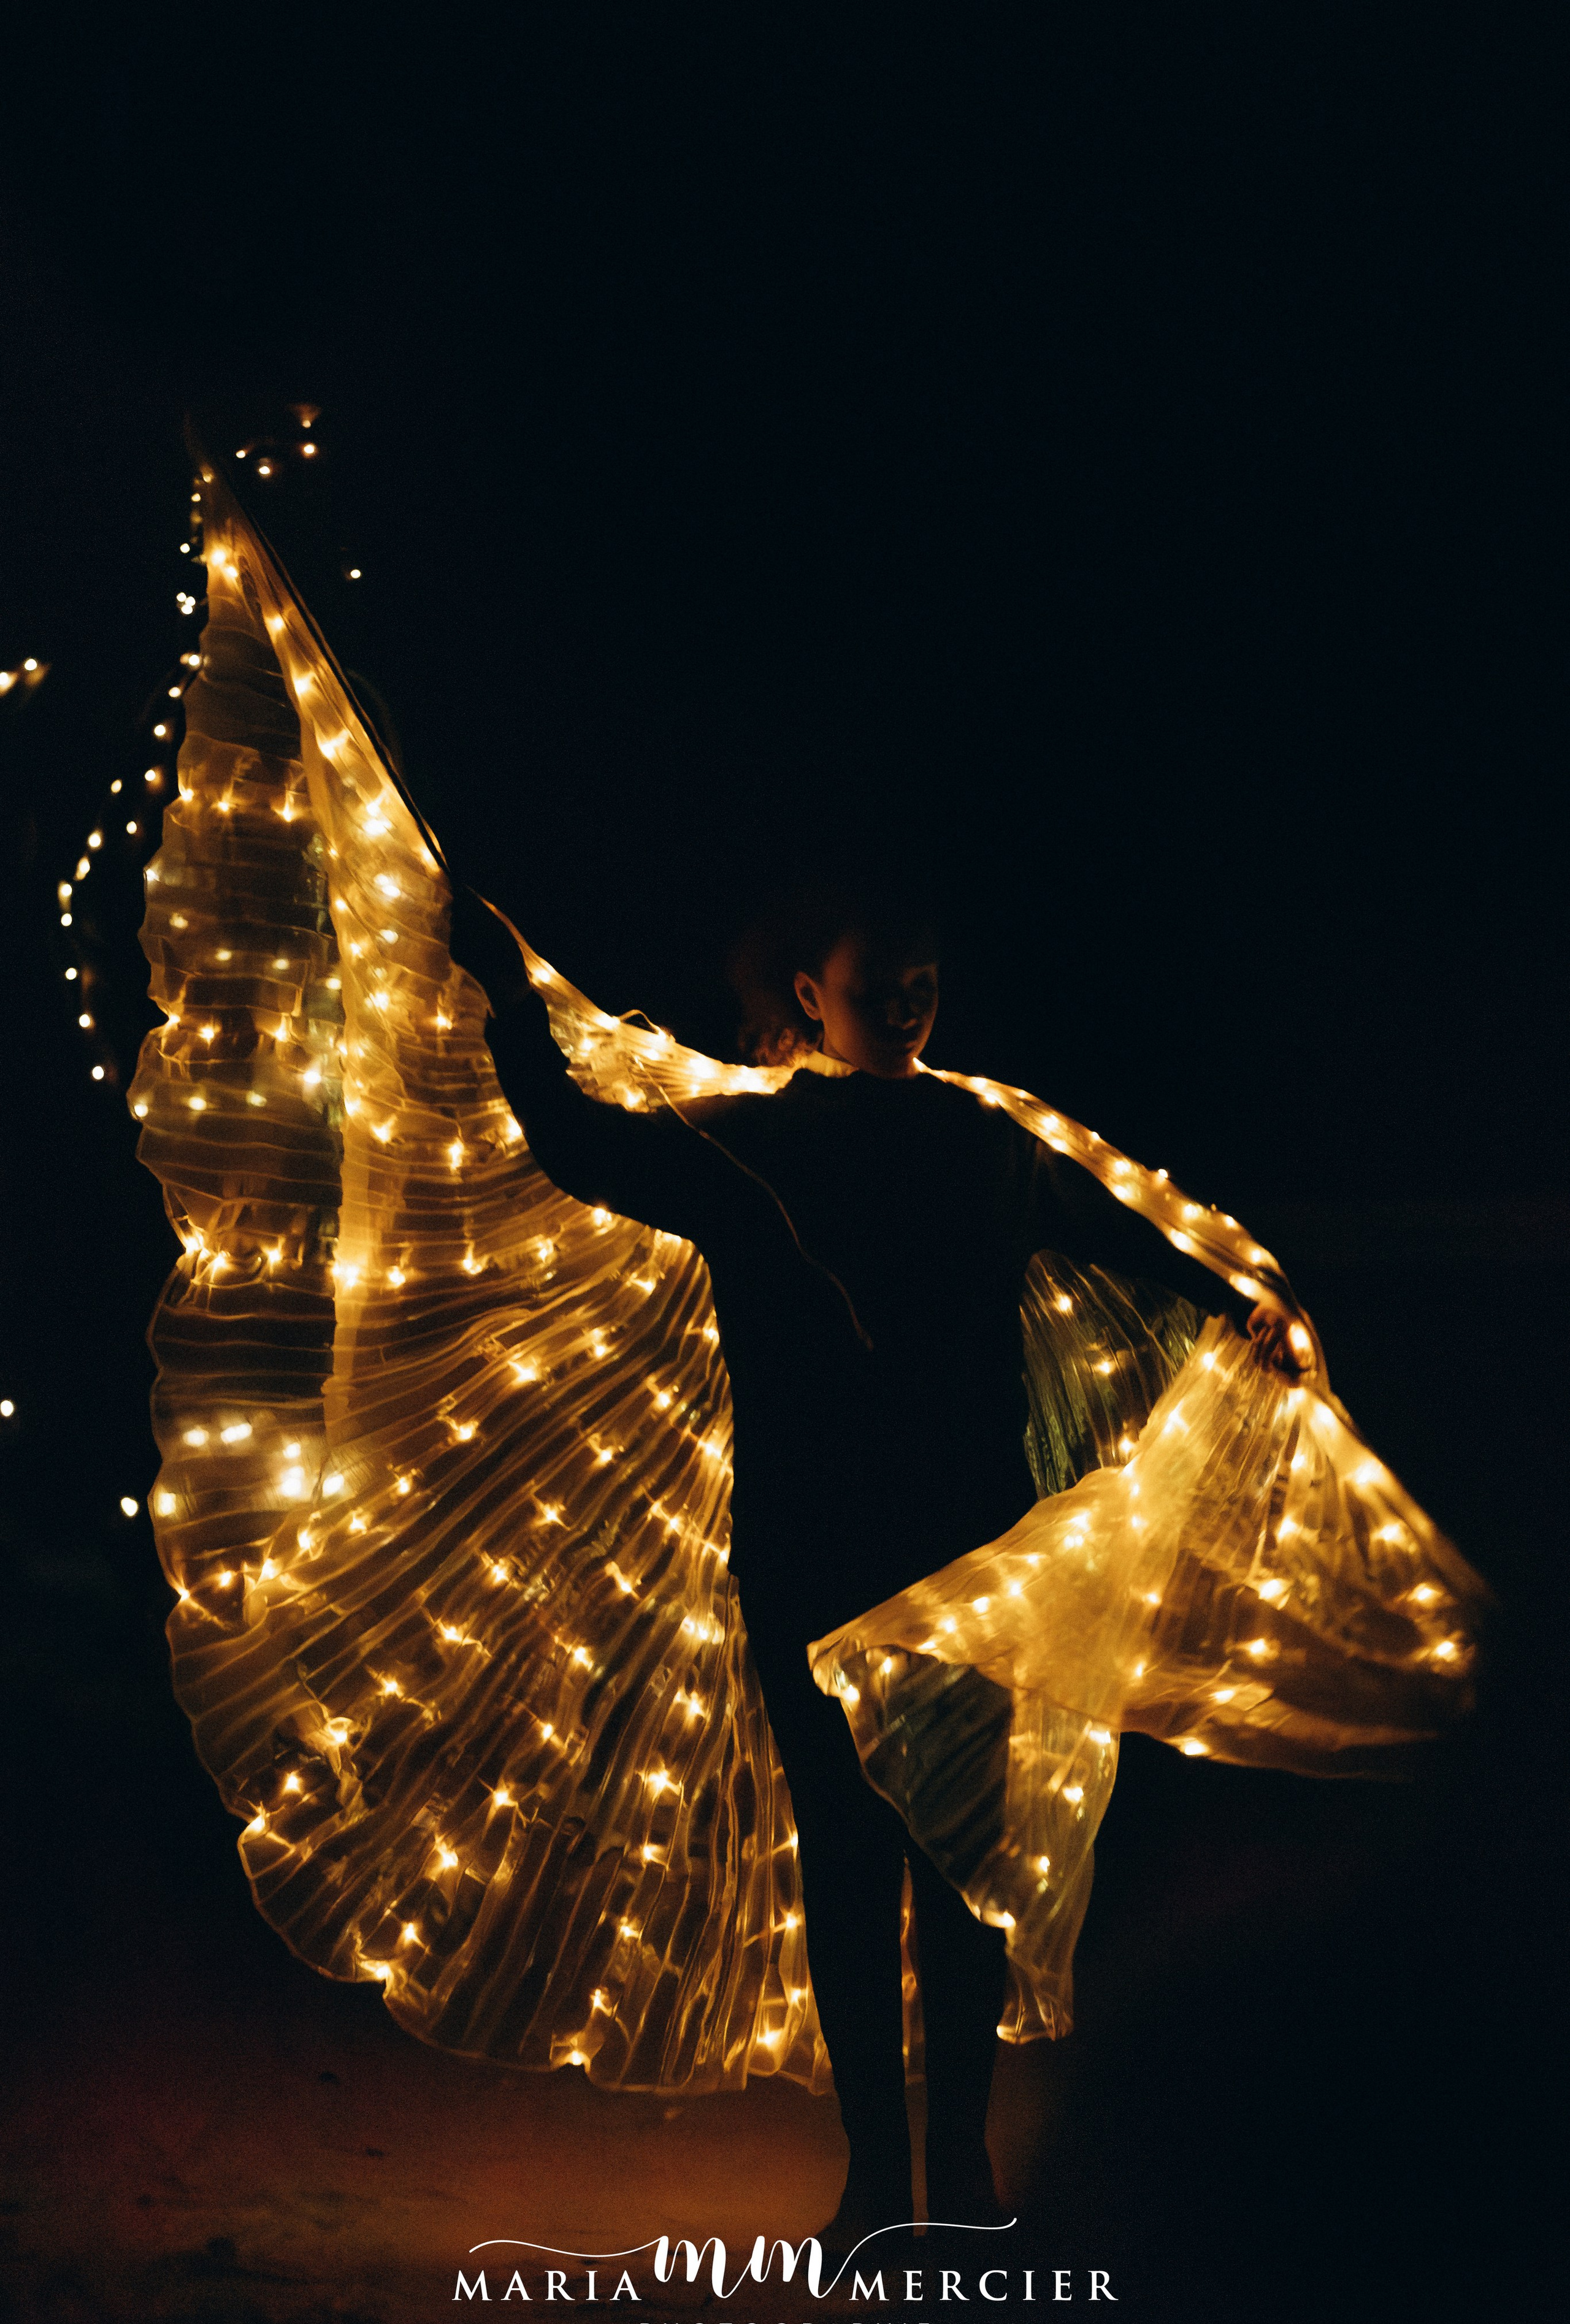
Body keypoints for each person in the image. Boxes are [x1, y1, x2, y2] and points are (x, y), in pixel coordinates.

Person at [448, 878, 1298, 2238]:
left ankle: (944, 2178)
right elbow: (577, 1148)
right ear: (809, 997)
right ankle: (879, 2181)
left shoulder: (978, 1142)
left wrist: (1236, 1302)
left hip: (950, 1556)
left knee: (946, 1869)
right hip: (832, 1551)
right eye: (876, 985)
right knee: (857, 1870)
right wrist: (502, 996)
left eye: (923, 988)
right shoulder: (751, 1147)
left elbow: (1115, 1235)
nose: (904, 1006)